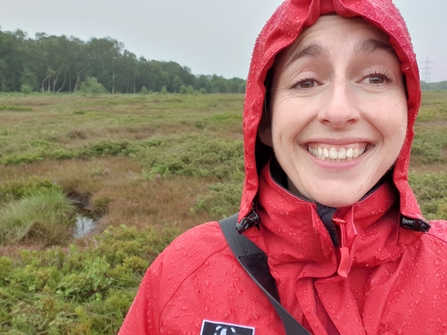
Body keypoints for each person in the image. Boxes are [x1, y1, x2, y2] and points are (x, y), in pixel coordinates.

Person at [119, 0, 447, 334]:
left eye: (375, 78)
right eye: (306, 82)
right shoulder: (184, 272)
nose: (338, 110)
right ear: (264, 120)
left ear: (407, 110)